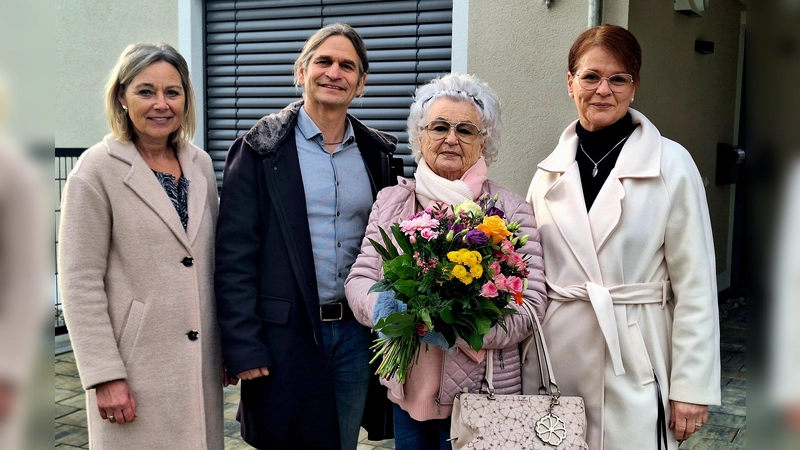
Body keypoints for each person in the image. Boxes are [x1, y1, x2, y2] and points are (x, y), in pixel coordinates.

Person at [525, 25, 721, 449]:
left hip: (635, 354)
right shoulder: (546, 173)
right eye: (591, 76)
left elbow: (696, 287)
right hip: (555, 359)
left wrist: (692, 387)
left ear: (635, 87)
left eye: (618, 79)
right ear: (570, 82)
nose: (603, 90)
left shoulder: (671, 164)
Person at [214, 23, 399, 450]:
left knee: (342, 442)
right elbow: (234, 255)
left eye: (347, 66)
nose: (335, 72)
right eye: (324, 61)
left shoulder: (379, 155)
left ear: (361, 82)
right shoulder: (260, 149)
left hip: (355, 335)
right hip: (285, 334)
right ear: (302, 71)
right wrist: (243, 345)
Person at [345, 73, 548, 450]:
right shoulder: (392, 201)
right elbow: (359, 279)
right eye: (439, 127)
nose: (451, 138)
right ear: (420, 137)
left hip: (482, 395)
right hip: (408, 396)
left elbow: (532, 305)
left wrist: (456, 326)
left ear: (483, 143)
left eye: (466, 130)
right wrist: (389, 310)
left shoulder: (511, 210)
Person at [59, 43, 225, 449]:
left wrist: (227, 347)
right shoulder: (95, 170)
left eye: (173, 92)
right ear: (121, 96)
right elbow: (80, 281)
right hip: (134, 369)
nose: (161, 104)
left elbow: (210, 262)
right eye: (146, 91)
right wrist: (104, 375)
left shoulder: (199, 164)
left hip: (200, 364)